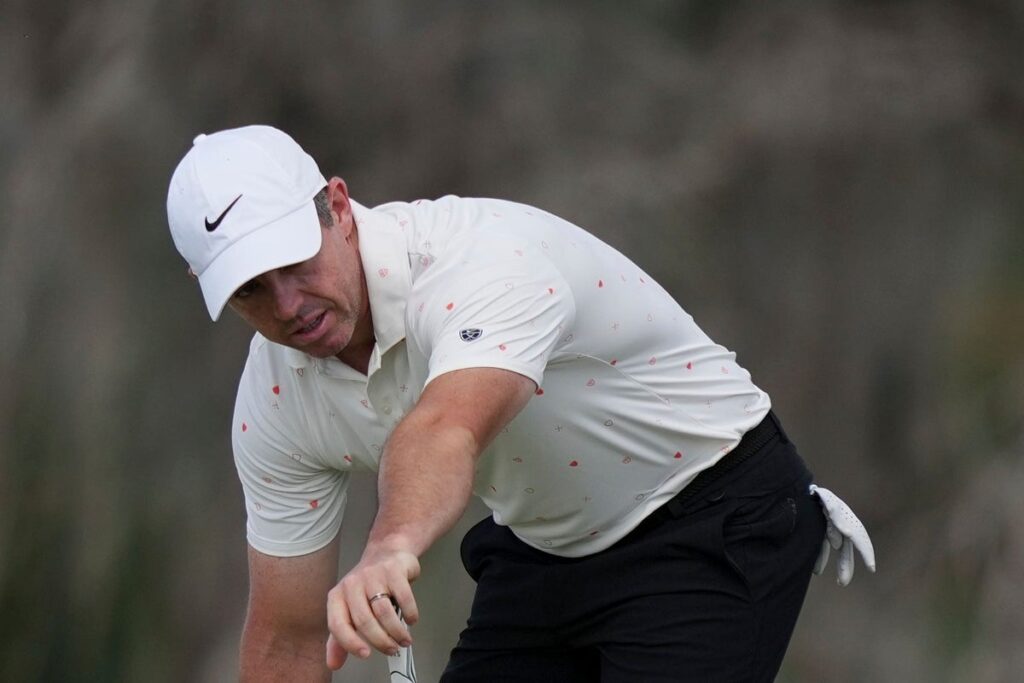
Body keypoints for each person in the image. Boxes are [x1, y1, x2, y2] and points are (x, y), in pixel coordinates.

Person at [166, 125, 874, 682]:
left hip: (711, 513)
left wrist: (389, 547)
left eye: (295, 262)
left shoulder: (476, 263)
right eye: (252, 290)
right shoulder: (276, 401)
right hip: (548, 548)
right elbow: (288, 641)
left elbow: (446, 427)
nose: (289, 305)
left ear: (341, 209)